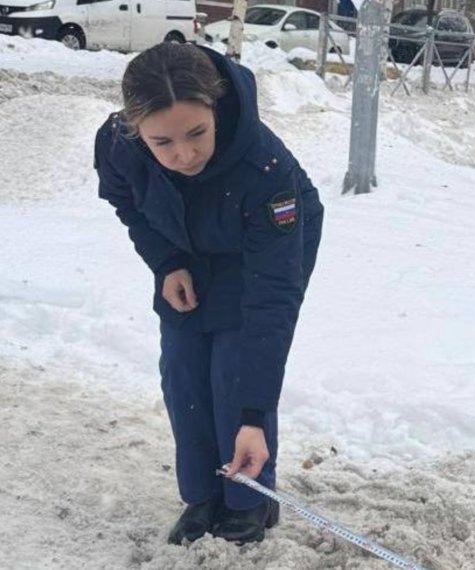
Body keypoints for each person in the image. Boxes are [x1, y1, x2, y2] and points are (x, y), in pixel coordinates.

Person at [93, 42, 324, 546]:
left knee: (235, 369)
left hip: (260, 248)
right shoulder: (117, 145)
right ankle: (202, 495)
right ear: (137, 132)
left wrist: (251, 416)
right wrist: (167, 262)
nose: (184, 154)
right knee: (183, 368)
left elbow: (271, 301)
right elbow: (125, 201)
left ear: (216, 106)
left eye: (196, 133)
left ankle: (248, 500)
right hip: (188, 245)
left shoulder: (267, 171)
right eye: (163, 143)